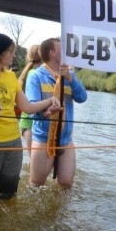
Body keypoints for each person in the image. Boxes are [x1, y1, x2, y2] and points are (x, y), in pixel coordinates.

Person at [0, 33, 62, 199]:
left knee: (9, 195)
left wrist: (50, 101)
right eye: (10, 51)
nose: (14, 55)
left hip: (13, 143)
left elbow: (28, 108)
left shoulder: (11, 76)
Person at [26, 36, 87, 188]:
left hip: (66, 139)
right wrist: (46, 112)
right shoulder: (35, 76)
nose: (67, 53)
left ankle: (60, 212)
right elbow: (31, 106)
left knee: (66, 184)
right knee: (36, 185)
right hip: (43, 138)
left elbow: (82, 98)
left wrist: (71, 79)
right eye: (62, 49)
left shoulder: (69, 75)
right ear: (52, 53)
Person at [18, 44, 42, 158]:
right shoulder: (34, 74)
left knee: (36, 158)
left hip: (30, 121)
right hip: (29, 122)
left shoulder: (32, 72)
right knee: (34, 158)